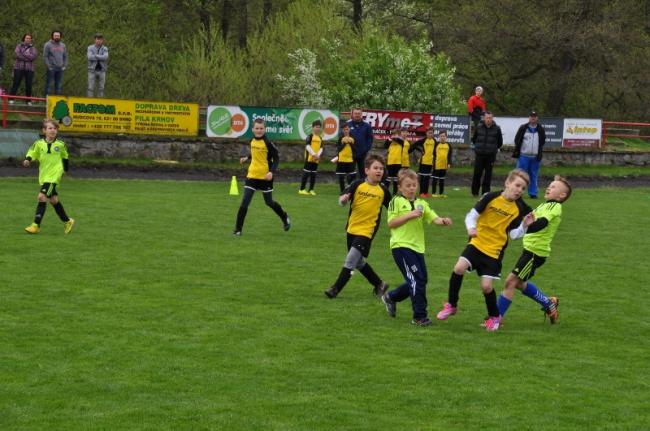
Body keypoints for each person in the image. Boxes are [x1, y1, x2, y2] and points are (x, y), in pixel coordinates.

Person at [436, 169, 533, 331]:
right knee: (459, 268)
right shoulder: (491, 197)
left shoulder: (519, 208)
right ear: (507, 183)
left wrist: (524, 225)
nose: (519, 190)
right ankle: (452, 305)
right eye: (517, 185)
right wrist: (471, 228)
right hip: (477, 242)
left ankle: (494, 317)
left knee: (486, 287)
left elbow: (514, 235)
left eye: (523, 188)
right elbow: (471, 215)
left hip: (494, 251)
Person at [381, 169, 452, 326]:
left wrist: (443, 221)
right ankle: (419, 317)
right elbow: (391, 223)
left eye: (414, 185)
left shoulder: (422, 203)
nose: (412, 188)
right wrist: (409, 215)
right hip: (401, 246)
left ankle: (391, 297)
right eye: (408, 185)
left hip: (418, 248)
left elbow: (433, 218)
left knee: (420, 279)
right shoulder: (395, 201)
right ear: (400, 187)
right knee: (417, 280)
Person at [497, 176, 572, 324]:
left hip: (535, 253)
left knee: (510, 281)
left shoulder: (554, 207)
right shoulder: (545, 205)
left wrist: (526, 227)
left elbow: (541, 223)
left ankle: (496, 319)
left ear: (561, 195)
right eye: (550, 185)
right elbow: (528, 215)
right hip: (530, 250)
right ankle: (548, 303)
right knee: (518, 283)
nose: (549, 188)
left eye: (554, 187)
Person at [324, 154, 391, 299]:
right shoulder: (357, 184)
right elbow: (341, 201)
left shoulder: (383, 190)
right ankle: (380, 284)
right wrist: (343, 200)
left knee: (350, 260)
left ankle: (335, 289)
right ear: (367, 170)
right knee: (358, 262)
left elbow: (393, 208)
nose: (379, 171)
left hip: (367, 232)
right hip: (352, 229)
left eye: (381, 169)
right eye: (375, 168)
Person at [233, 118, 291, 235]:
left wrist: (271, 172)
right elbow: (255, 152)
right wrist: (246, 158)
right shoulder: (252, 141)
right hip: (252, 175)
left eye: (261, 128)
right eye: (257, 128)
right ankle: (238, 230)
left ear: (265, 129)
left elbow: (276, 158)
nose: (259, 130)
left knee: (269, 202)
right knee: (245, 202)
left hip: (265, 177)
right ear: (253, 129)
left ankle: (284, 217)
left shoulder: (268, 143)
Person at [23, 119, 75, 235]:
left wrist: (65, 170)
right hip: (44, 176)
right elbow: (32, 152)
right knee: (53, 200)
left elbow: (65, 157)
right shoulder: (38, 144)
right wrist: (28, 159)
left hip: (54, 176)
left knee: (41, 197)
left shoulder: (61, 144)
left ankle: (35, 225)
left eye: (55, 128)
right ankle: (67, 221)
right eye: (50, 128)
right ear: (44, 130)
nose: (53, 130)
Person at [512, 111, 546, 199]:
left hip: (535, 157)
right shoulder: (523, 128)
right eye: (531, 116)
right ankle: (517, 192)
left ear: (537, 118)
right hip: (524, 156)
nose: (533, 118)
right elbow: (517, 140)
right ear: (529, 118)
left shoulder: (540, 129)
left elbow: (542, 141)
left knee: (533, 176)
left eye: (534, 116)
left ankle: (533, 193)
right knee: (520, 175)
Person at [471, 112, 503, 197]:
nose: (488, 119)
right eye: (487, 118)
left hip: (490, 156)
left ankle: (485, 192)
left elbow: (500, 142)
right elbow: (474, 139)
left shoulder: (497, 128)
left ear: (492, 119)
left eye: (490, 118)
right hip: (480, 155)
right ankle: (475, 192)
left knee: (488, 175)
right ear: (484, 118)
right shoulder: (479, 127)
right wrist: (478, 148)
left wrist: (493, 149)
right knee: (477, 173)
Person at [9, 34, 38, 105]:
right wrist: (27, 57)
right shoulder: (19, 46)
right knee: (16, 83)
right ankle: (11, 99)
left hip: (29, 69)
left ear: (31, 39)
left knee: (29, 85)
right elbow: (17, 55)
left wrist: (23, 54)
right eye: (27, 38)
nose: (28, 39)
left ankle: (28, 101)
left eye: (29, 38)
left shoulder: (33, 48)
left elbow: (33, 57)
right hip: (18, 67)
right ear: (24, 39)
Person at [347, 108, 374, 180]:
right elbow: (342, 137)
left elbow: (370, 139)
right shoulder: (347, 124)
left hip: (363, 154)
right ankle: (350, 186)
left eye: (359, 113)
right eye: (355, 113)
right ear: (352, 114)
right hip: (350, 153)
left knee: (363, 172)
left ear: (361, 114)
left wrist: (365, 149)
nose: (357, 115)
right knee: (350, 172)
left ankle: (363, 185)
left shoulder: (367, 125)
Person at [298, 119, 323, 195]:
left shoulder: (320, 138)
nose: (317, 129)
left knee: (313, 175)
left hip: (316, 159)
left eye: (319, 127)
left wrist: (318, 155)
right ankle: (302, 189)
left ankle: (311, 189)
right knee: (306, 174)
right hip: (309, 158)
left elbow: (321, 148)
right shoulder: (310, 136)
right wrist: (314, 154)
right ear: (312, 128)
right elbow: (307, 146)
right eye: (316, 127)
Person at [410, 127, 436, 197]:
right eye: (429, 133)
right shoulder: (423, 140)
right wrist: (420, 150)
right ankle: (421, 192)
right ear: (426, 133)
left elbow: (435, 151)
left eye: (431, 133)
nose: (430, 134)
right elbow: (414, 145)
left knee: (427, 177)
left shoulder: (434, 141)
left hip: (430, 162)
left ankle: (426, 192)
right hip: (423, 162)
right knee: (422, 177)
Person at [334, 122, 357, 192]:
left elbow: (355, 149)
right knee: (341, 177)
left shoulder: (353, 137)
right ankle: (342, 191)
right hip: (342, 160)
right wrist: (344, 144)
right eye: (344, 129)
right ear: (342, 130)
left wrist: (350, 143)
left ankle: (349, 191)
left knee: (351, 176)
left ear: (349, 129)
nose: (346, 131)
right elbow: (338, 149)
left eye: (347, 129)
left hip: (350, 160)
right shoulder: (340, 138)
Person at [43, 31, 67, 96]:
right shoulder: (48, 44)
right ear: (52, 36)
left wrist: (64, 66)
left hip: (60, 68)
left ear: (60, 37)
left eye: (58, 36)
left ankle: (57, 100)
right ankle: (46, 100)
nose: (57, 37)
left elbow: (65, 56)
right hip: (51, 68)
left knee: (58, 85)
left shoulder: (63, 45)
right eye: (55, 35)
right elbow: (45, 56)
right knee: (49, 85)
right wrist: (48, 66)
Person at [431, 130, 453, 198]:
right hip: (437, 165)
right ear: (439, 137)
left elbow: (449, 155)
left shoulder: (448, 145)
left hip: (444, 165)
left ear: (446, 137)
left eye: (444, 136)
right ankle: (433, 193)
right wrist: (433, 162)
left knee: (442, 180)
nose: (442, 137)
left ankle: (441, 193)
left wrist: (449, 163)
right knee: (435, 179)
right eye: (441, 136)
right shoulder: (436, 145)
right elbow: (433, 154)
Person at [87, 33, 109, 98]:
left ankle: (100, 101)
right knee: (90, 88)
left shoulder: (105, 48)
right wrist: (100, 56)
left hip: (102, 70)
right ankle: (89, 101)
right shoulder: (90, 47)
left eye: (100, 39)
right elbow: (89, 57)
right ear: (95, 40)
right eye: (97, 39)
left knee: (101, 88)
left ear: (102, 40)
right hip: (92, 71)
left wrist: (95, 55)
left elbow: (105, 57)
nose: (99, 40)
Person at [383, 129, 405, 194]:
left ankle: (394, 193)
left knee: (396, 178)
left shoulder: (401, 141)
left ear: (399, 135)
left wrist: (394, 138)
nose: (394, 136)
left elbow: (398, 140)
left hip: (398, 162)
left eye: (395, 134)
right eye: (393, 134)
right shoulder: (390, 141)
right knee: (388, 177)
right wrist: (389, 140)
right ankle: (386, 192)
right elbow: (385, 146)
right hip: (390, 162)